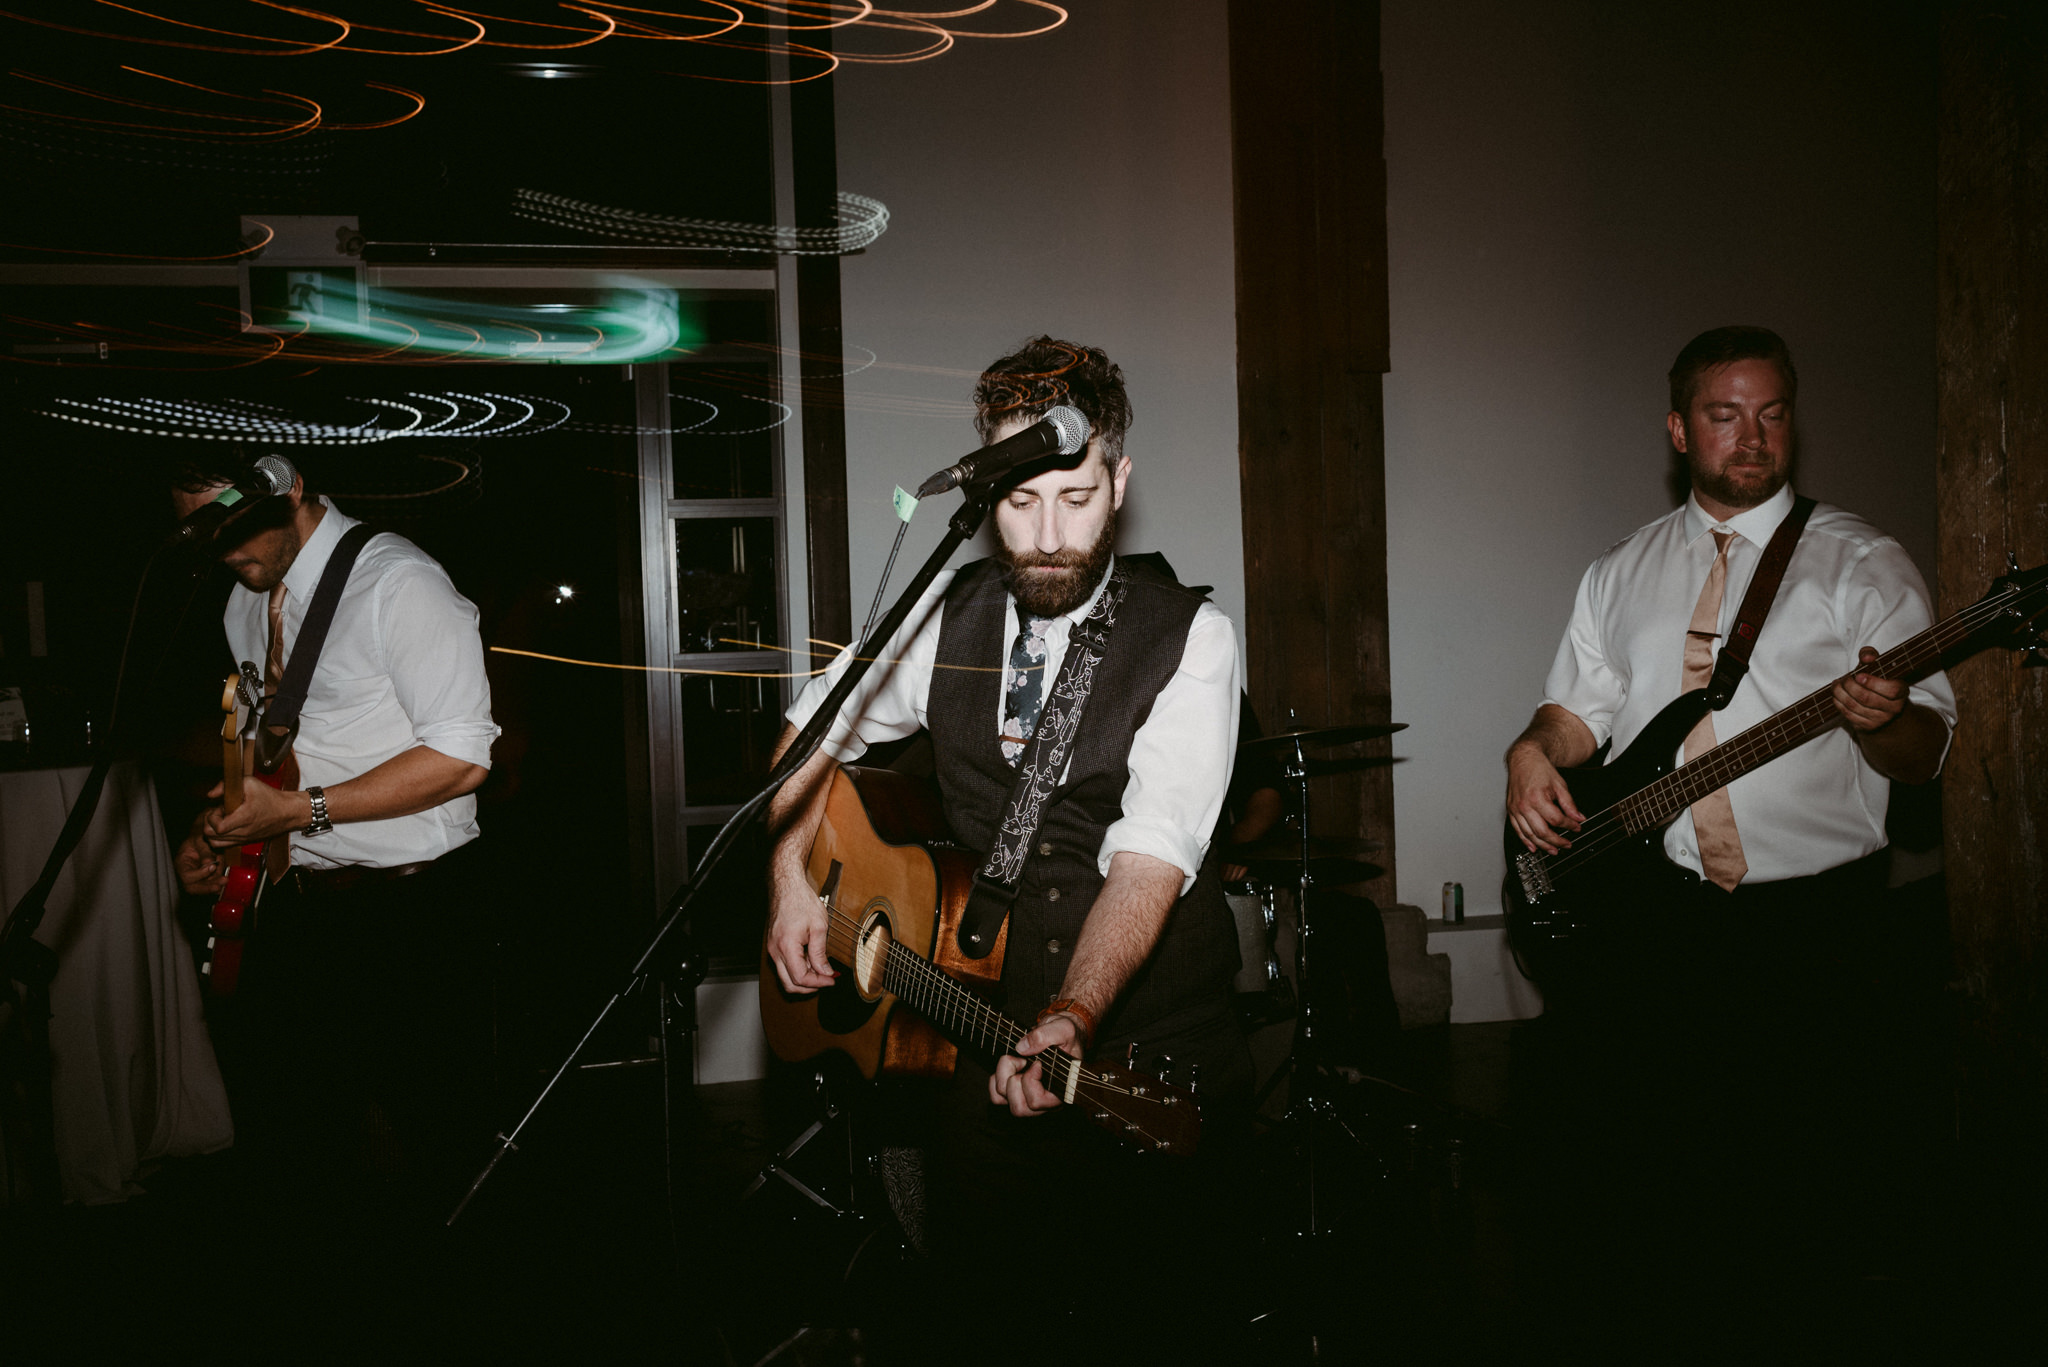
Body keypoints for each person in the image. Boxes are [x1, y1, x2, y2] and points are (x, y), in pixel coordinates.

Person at [764, 337, 1252, 1353]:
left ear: (1118, 480)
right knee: (988, 1311)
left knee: (1152, 1320)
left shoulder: (1187, 638)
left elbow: (1151, 851)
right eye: (1018, 500)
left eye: (1073, 497)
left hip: (1140, 1051)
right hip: (966, 1030)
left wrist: (1072, 1009)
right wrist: (787, 880)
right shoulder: (948, 618)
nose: (1043, 534)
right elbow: (814, 729)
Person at [1500, 326, 1956, 1337]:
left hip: (1815, 925)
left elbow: (1924, 753)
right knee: (1671, 1195)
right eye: (1722, 414)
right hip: (1664, 923)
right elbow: (1583, 710)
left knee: (1806, 1205)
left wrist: (1886, 721)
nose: (1750, 438)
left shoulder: (1859, 563)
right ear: (1676, 428)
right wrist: (1530, 748)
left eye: (1771, 413)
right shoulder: (1619, 569)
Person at [170, 457, 499, 1211]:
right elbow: (270, 753)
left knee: (444, 1153)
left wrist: (300, 812)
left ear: (285, 484)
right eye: (201, 534)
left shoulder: (398, 583)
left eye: (229, 524)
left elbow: (460, 757)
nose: (223, 550)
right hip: (298, 908)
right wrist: (220, 829)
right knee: (305, 1154)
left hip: (414, 913)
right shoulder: (244, 604)